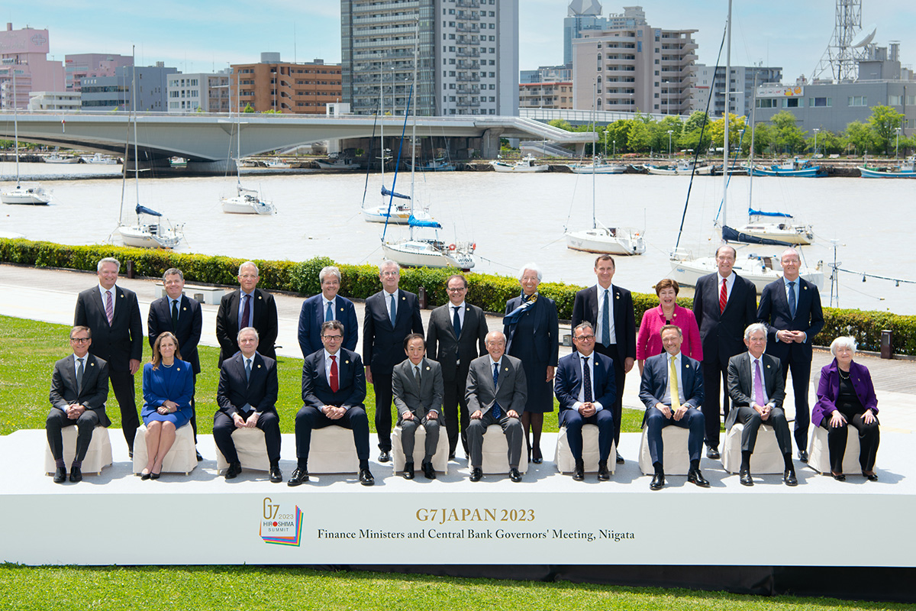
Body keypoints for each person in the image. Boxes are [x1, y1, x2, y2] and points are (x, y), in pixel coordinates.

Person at [757, 248, 824, 462]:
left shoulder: (811, 289)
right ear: (782, 264)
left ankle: (802, 445)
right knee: (775, 396)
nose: (791, 264)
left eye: (794, 261)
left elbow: (819, 321)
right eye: (787, 261)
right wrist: (776, 333)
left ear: (799, 264)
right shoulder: (770, 288)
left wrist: (805, 334)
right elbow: (760, 321)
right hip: (776, 352)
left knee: (801, 397)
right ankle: (777, 441)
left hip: (801, 352)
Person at [693, 245, 758, 460]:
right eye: (722, 257)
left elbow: (751, 323)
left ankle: (733, 439)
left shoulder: (747, 287)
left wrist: (747, 352)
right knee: (709, 398)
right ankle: (711, 442)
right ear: (716, 259)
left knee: (735, 398)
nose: (725, 261)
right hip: (707, 350)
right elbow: (696, 317)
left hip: (735, 353)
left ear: (734, 260)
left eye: (729, 258)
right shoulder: (703, 282)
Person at [290, 320, 374, 486]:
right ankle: (301, 468)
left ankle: (364, 468)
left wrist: (344, 408)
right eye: (328, 337)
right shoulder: (310, 360)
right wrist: (322, 407)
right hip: (321, 411)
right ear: (322, 338)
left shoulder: (354, 359)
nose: (332, 341)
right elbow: (307, 393)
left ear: (342, 338)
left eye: (336, 337)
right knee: (302, 415)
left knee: (360, 415)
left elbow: (360, 392)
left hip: (346, 411)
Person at [74, 257, 143, 454]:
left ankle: (134, 447)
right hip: (95, 363)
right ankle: (89, 448)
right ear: (98, 273)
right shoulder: (85, 297)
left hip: (123, 361)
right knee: (91, 403)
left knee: (128, 405)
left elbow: (136, 331)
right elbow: (79, 331)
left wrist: (135, 357)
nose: (110, 275)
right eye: (106, 272)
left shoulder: (129, 297)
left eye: (113, 272)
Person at [571, 254, 635, 464]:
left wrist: (629, 356)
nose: (605, 272)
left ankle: (612, 448)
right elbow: (576, 328)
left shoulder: (624, 295)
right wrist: (577, 356)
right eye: (602, 268)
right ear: (595, 270)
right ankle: (587, 445)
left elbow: (628, 327)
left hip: (616, 355)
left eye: (609, 268)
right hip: (592, 351)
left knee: (615, 401)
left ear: (614, 271)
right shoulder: (584, 295)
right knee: (590, 395)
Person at [362, 260, 423, 463]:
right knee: (382, 406)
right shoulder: (372, 301)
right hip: (381, 364)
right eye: (386, 273)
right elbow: (367, 334)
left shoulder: (411, 299)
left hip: (407, 364)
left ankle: (406, 445)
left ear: (399, 276)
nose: (390, 276)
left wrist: (420, 359)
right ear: (380, 277)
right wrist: (367, 365)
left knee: (406, 405)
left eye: (393, 273)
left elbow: (418, 332)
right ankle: (385, 447)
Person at [725, 323, 797, 487]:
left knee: (779, 416)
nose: (758, 342)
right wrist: (754, 405)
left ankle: (789, 466)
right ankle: (745, 466)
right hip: (746, 407)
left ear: (766, 341)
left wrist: (770, 406)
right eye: (754, 339)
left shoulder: (775, 362)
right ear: (746, 341)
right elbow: (734, 392)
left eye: (762, 339)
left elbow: (780, 391)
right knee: (754, 415)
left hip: (769, 406)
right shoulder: (735, 362)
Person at [638, 325, 708, 491]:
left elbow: (699, 394)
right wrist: (659, 405)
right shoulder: (652, 362)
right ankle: (658, 471)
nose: (670, 342)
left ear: (681, 339)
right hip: (661, 408)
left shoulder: (694, 364)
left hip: (683, 408)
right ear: (662, 342)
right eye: (666, 339)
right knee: (653, 417)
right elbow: (644, 392)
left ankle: (694, 469)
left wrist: (686, 406)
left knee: (698, 417)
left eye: (673, 338)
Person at [426, 274, 488, 459]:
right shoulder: (437, 314)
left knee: (469, 411)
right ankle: (451, 448)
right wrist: (431, 372)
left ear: (466, 290)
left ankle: (469, 448)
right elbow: (431, 345)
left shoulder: (477, 313)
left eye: (460, 288)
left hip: (470, 373)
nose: (456, 292)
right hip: (446, 372)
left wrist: (484, 371)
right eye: (452, 289)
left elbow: (483, 345)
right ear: (447, 291)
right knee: (450, 412)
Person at [503, 263, 558, 465]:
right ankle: (524, 444)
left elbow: (554, 337)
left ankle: (536, 446)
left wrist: (552, 364)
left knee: (537, 406)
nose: (529, 282)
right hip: (517, 362)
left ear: (538, 282)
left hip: (540, 362)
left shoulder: (548, 304)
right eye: (526, 278)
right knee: (522, 405)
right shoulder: (512, 304)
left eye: (533, 278)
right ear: (520, 281)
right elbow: (507, 335)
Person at [148, 268, 203, 461]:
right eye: (169, 282)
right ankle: (158, 443)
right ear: (164, 284)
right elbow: (153, 335)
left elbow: (195, 335)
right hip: (161, 366)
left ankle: (192, 445)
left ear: (183, 282)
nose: (173, 285)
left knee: (188, 403)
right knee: (162, 400)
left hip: (187, 364)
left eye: (176, 281)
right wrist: (165, 357)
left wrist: (178, 357)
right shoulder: (156, 306)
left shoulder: (194, 305)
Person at [214, 327, 282, 483]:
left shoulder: (269, 364)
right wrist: (233, 414)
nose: (248, 343)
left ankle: (274, 465)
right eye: (244, 340)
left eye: (251, 339)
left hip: (260, 410)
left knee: (271, 421)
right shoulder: (228, 364)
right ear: (238, 343)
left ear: (257, 342)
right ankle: (233, 463)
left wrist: (257, 414)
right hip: (235, 410)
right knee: (219, 428)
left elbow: (271, 395)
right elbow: (222, 396)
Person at [47, 326, 111, 484]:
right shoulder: (60, 365)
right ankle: (60, 466)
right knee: (52, 418)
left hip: (90, 409)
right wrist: (66, 407)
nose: (80, 343)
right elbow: (54, 394)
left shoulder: (101, 365)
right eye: (76, 339)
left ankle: (77, 465)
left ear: (89, 342)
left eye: (83, 339)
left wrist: (83, 407)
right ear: (70, 342)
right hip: (67, 409)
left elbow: (102, 394)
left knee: (86, 420)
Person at [554, 322, 616, 482]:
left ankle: (603, 464)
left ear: (594, 339)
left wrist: (595, 406)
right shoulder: (564, 362)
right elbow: (560, 392)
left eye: (589, 336)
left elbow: (612, 392)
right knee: (573, 421)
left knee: (607, 419)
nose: (586, 340)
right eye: (581, 337)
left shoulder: (607, 362)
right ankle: (578, 463)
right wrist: (578, 406)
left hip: (598, 406)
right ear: (574, 340)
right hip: (574, 407)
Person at [813, 337, 880, 481]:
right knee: (838, 425)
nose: (845, 353)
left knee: (871, 425)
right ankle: (836, 469)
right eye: (840, 350)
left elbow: (871, 395)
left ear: (853, 351)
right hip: (833, 409)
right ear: (834, 353)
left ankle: (867, 468)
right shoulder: (827, 371)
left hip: (858, 409)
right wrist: (834, 412)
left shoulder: (862, 370)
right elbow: (822, 397)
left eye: (848, 349)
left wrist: (870, 410)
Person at [465, 331, 527, 483]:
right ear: (486, 346)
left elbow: (521, 392)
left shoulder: (515, 364)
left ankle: (513, 468)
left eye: (500, 343)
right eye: (492, 343)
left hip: (506, 411)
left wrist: (514, 409)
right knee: (474, 425)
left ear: (505, 346)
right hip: (484, 411)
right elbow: (470, 392)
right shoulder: (476, 364)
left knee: (514, 423)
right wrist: (475, 409)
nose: (496, 347)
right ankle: (477, 467)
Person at [140, 332, 194, 480]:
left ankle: (158, 462)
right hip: (153, 407)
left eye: (170, 344)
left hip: (180, 408)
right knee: (154, 425)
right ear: (158, 349)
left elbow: (188, 393)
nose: (167, 348)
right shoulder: (148, 368)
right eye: (163, 345)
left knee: (167, 425)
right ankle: (150, 462)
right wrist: (164, 402)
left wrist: (172, 407)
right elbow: (147, 393)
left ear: (176, 347)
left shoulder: (186, 367)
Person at [392, 334, 444, 480]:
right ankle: (409, 462)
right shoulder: (399, 369)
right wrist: (405, 411)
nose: (416, 353)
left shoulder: (435, 367)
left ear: (425, 350)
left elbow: (438, 393)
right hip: (410, 411)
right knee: (407, 427)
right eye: (412, 349)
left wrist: (434, 410)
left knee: (434, 425)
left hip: (429, 410)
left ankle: (427, 462)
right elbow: (397, 396)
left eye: (419, 349)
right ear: (406, 351)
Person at [215, 261, 278, 367]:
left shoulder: (267, 300)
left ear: (257, 279)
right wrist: (237, 355)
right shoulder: (227, 300)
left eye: (252, 276)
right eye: (245, 275)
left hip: (262, 358)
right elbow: (221, 330)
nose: (249, 279)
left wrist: (255, 355)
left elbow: (272, 331)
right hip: (231, 358)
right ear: (239, 278)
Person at [636, 278, 702, 374]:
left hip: (683, 367)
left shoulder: (688, 314)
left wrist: (695, 371)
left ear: (676, 294)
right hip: (655, 368)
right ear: (658, 295)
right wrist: (642, 370)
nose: (667, 296)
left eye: (670, 292)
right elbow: (640, 344)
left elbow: (696, 344)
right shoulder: (649, 314)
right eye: (663, 293)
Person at [297, 265, 358, 357]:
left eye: (335, 282)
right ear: (322, 285)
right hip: (315, 359)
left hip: (341, 360)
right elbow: (303, 335)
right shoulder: (309, 305)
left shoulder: (347, 305)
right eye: (328, 282)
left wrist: (344, 357)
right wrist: (312, 360)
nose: (332, 286)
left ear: (339, 284)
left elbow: (353, 335)